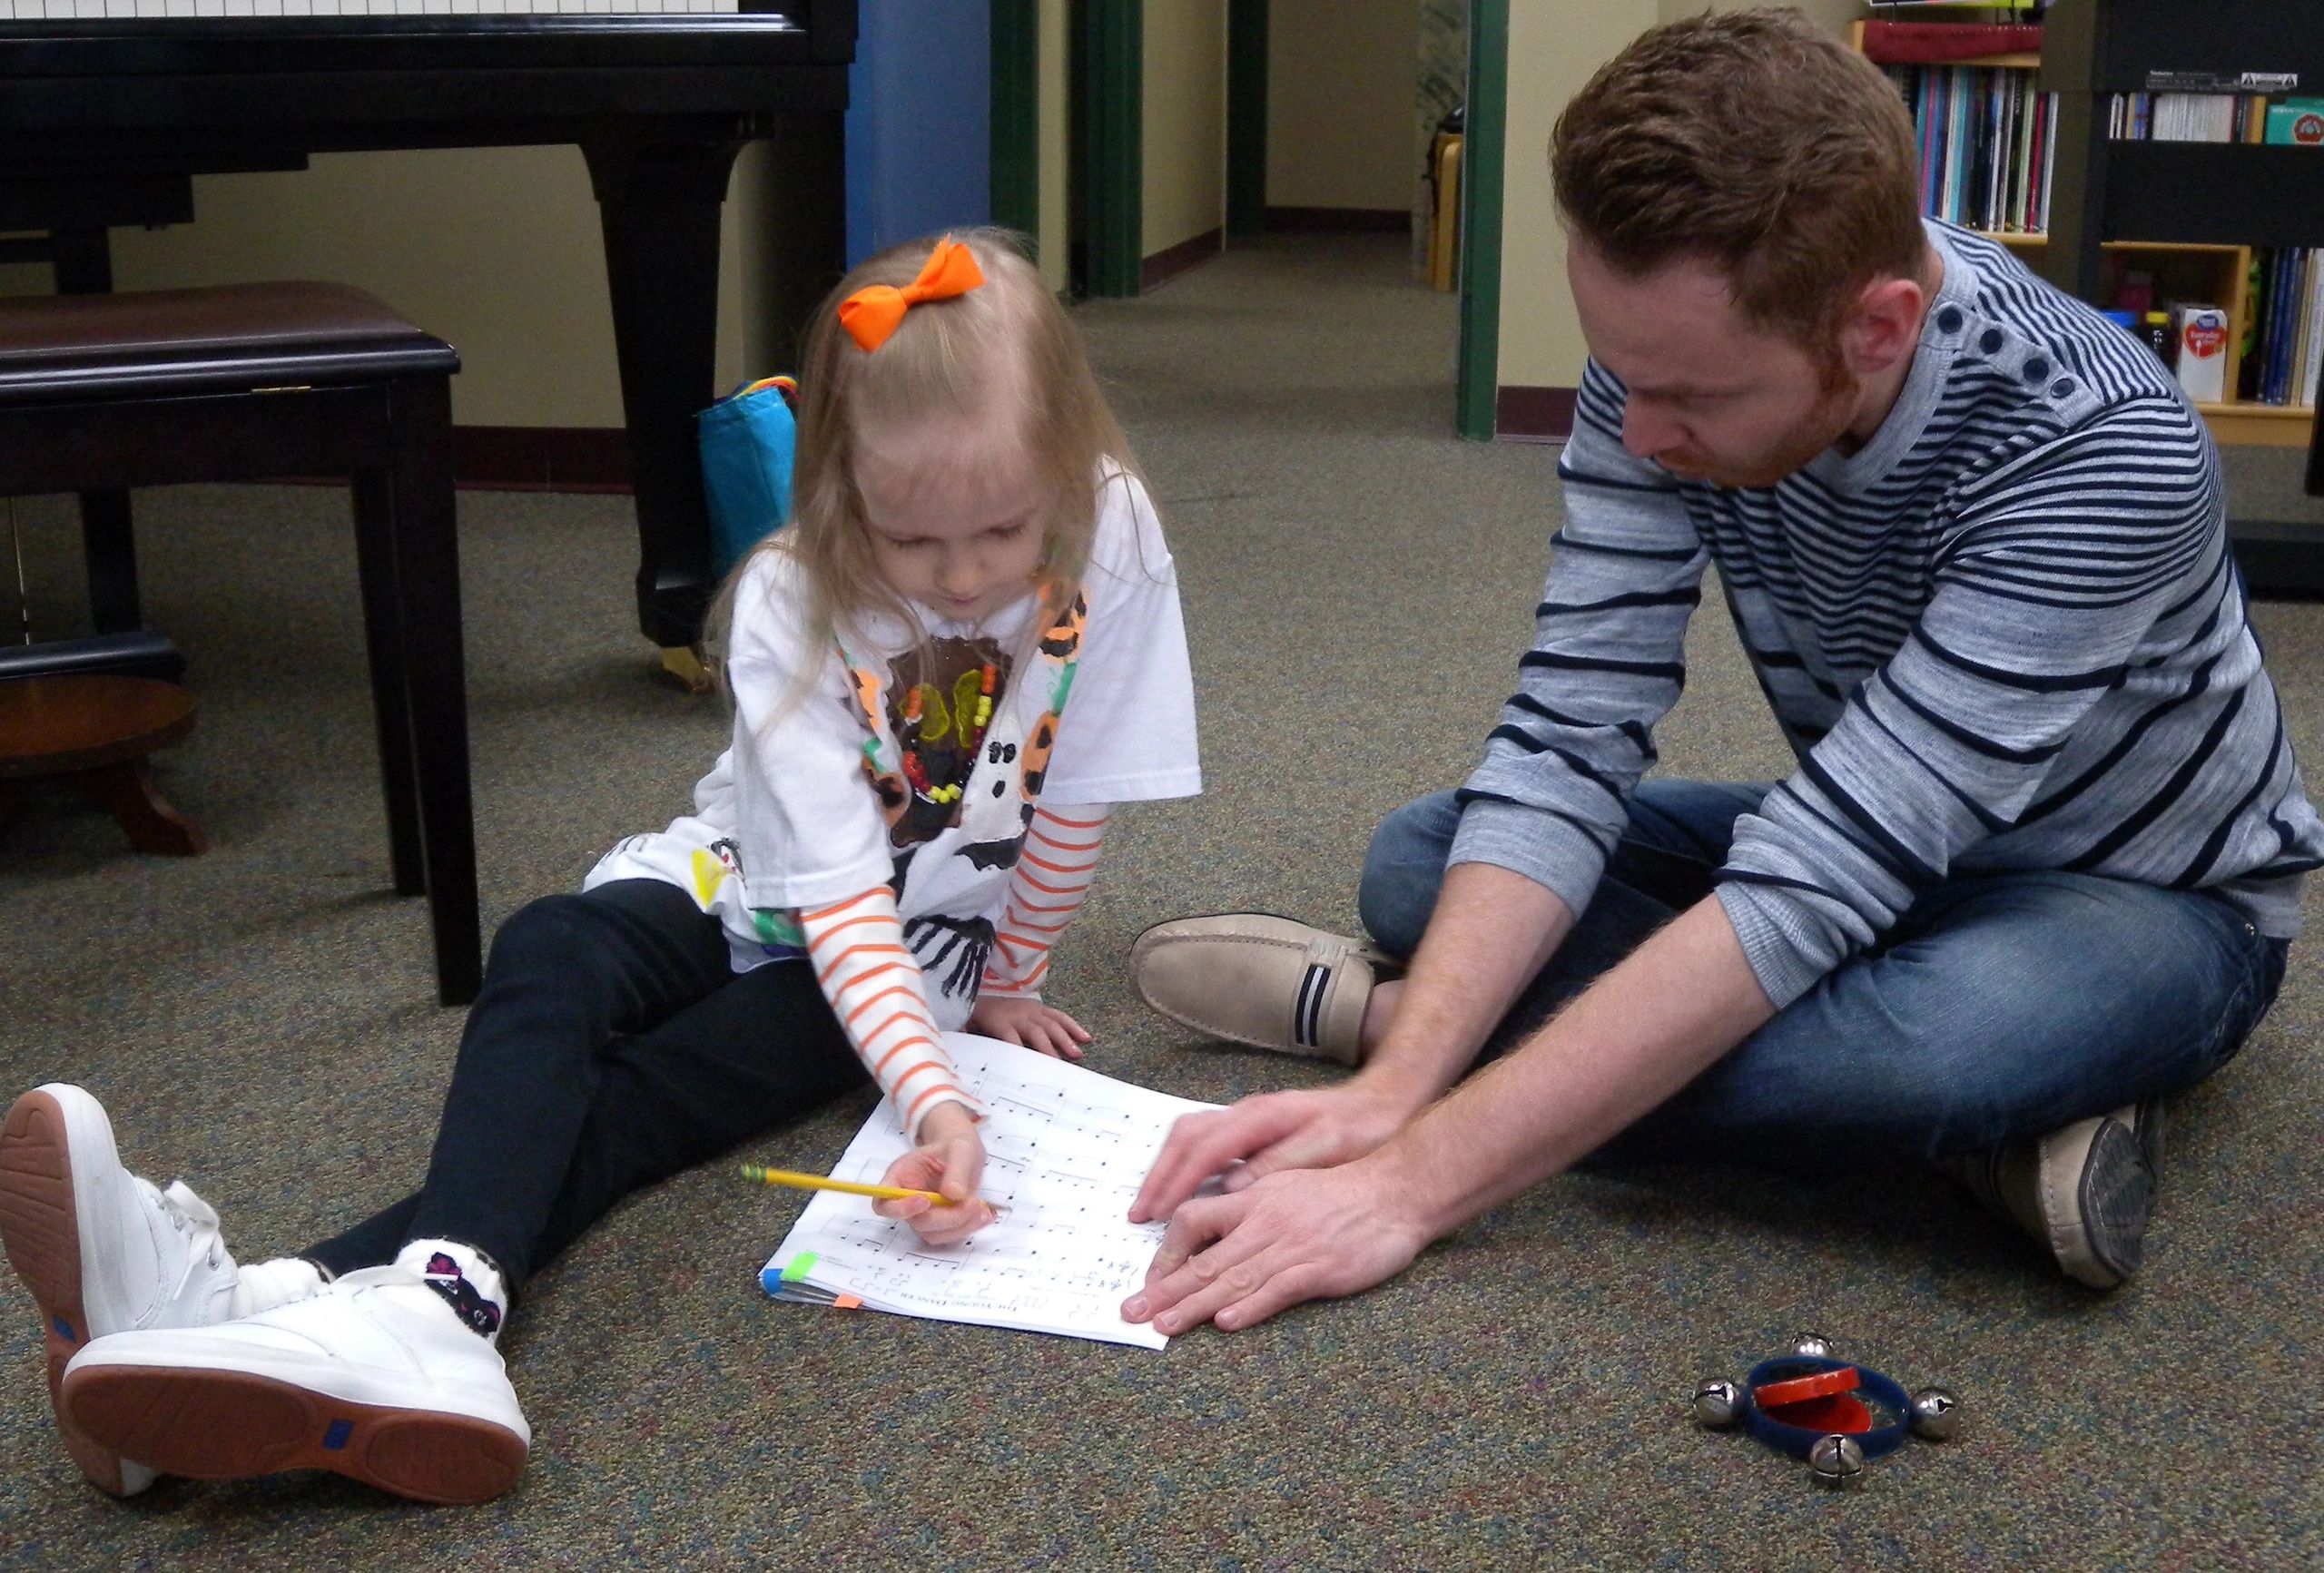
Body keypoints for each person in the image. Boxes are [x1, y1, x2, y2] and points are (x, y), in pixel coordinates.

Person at [1122, 8, 2319, 1338]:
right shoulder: (1662, 362)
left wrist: (1407, 1176)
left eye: (1695, 399)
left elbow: (1822, 874)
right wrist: (1393, 1091)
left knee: (1942, 1047)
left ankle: (1399, 1018)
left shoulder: (2100, 446)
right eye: (1619, 371)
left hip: (2142, 895)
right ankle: (1974, 1144)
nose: (1639, 431)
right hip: (1876, 836)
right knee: (1426, 857)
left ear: (1878, 327)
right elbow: (1571, 729)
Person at [0, 230, 1200, 1503]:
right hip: (761, 879)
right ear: (838, 495)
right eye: (912, 543)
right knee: (549, 948)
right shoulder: (791, 592)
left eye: (1002, 530)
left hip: (908, 958)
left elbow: (1074, 794)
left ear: (1064, 462)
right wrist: (936, 1099)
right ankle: (411, 1316)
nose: (962, 579)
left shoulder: (1112, 530)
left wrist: (1002, 985)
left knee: (635, 1101)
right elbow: (838, 891)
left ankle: (255, 1302)